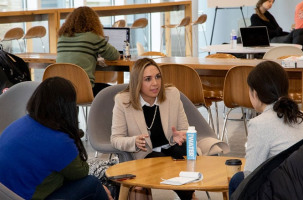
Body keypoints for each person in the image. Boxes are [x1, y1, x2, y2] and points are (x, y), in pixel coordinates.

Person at [0, 77, 113, 200]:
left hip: (6, 194)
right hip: (25, 197)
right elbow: (81, 172)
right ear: (68, 107)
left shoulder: (20, 123)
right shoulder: (60, 140)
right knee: (93, 184)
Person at [111, 58, 194, 199]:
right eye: (148, 79)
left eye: (157, 77)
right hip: (147, 153)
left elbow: (184, 129)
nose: (155, 83)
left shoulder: (172, 94)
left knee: (189, 155)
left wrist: (181, 135)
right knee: (160, 162)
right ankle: (189, 197)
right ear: (137, 82)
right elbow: (115, 139)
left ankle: (188, 196)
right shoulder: (123, 101)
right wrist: (134, 141)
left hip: (172, 145)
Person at [228, 61, 303, 197]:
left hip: (285, 193)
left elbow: (250, 175)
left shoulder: (259, 123)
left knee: (237, 180)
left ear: (255, 93)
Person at [56, 6, 120, 96]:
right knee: (116, 92)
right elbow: (114, 55)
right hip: (84, 90)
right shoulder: (93, 37)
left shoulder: (62, 37)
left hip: (61, 89)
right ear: (93, 22)